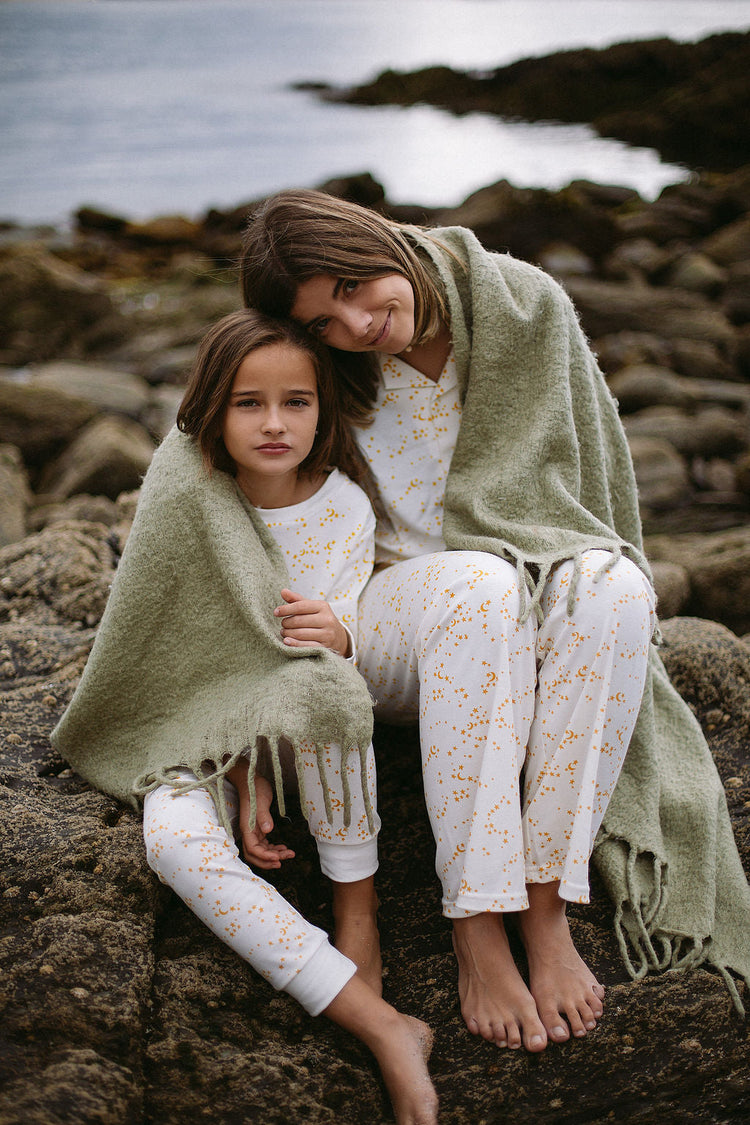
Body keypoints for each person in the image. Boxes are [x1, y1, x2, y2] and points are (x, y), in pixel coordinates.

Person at [238, 189, 750, 1051]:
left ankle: (547, 904)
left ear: (382, 239)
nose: (358, 323)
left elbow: (596, 482)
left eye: (358, 286)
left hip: (525, 576)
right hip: (386, 615)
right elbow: (208, 470)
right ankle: (477, 917)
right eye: (325, 320)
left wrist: (595, 581)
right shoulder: (311, 359)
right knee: (480, 584)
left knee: (618, 585)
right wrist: (243, 719)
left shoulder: (520, 302)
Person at [51, 310, 439, 1125]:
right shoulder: (186, 493)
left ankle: (355, 914)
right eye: (246, 403)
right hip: (194, 727)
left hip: (303, 728)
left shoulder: (342, 508)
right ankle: (381, 1024)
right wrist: (236, 761)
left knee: (329, 689)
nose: (272, 424)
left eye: (295, 401)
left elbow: (312, 652)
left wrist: (341, 631)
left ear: (323, 409)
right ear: (210, 408)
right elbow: (163, 646)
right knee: (173, 840)